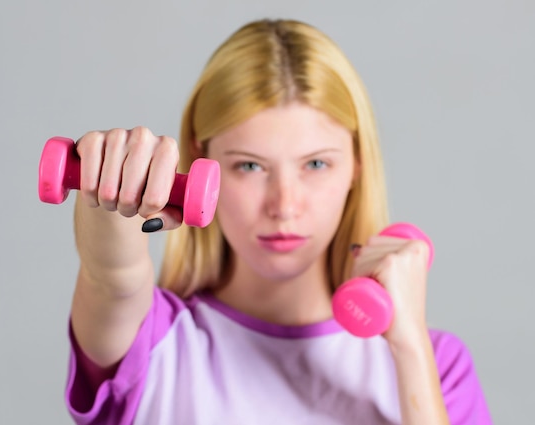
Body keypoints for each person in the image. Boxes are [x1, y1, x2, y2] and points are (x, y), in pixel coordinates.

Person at [64, 19, 491, 424]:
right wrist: (111, 190)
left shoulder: (435, 363)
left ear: (357, 165)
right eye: (250, 166)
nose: (284, 205)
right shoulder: (152, 342)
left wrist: (410, 346)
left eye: (317, 164)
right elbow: (111, 276)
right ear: (202, 164)